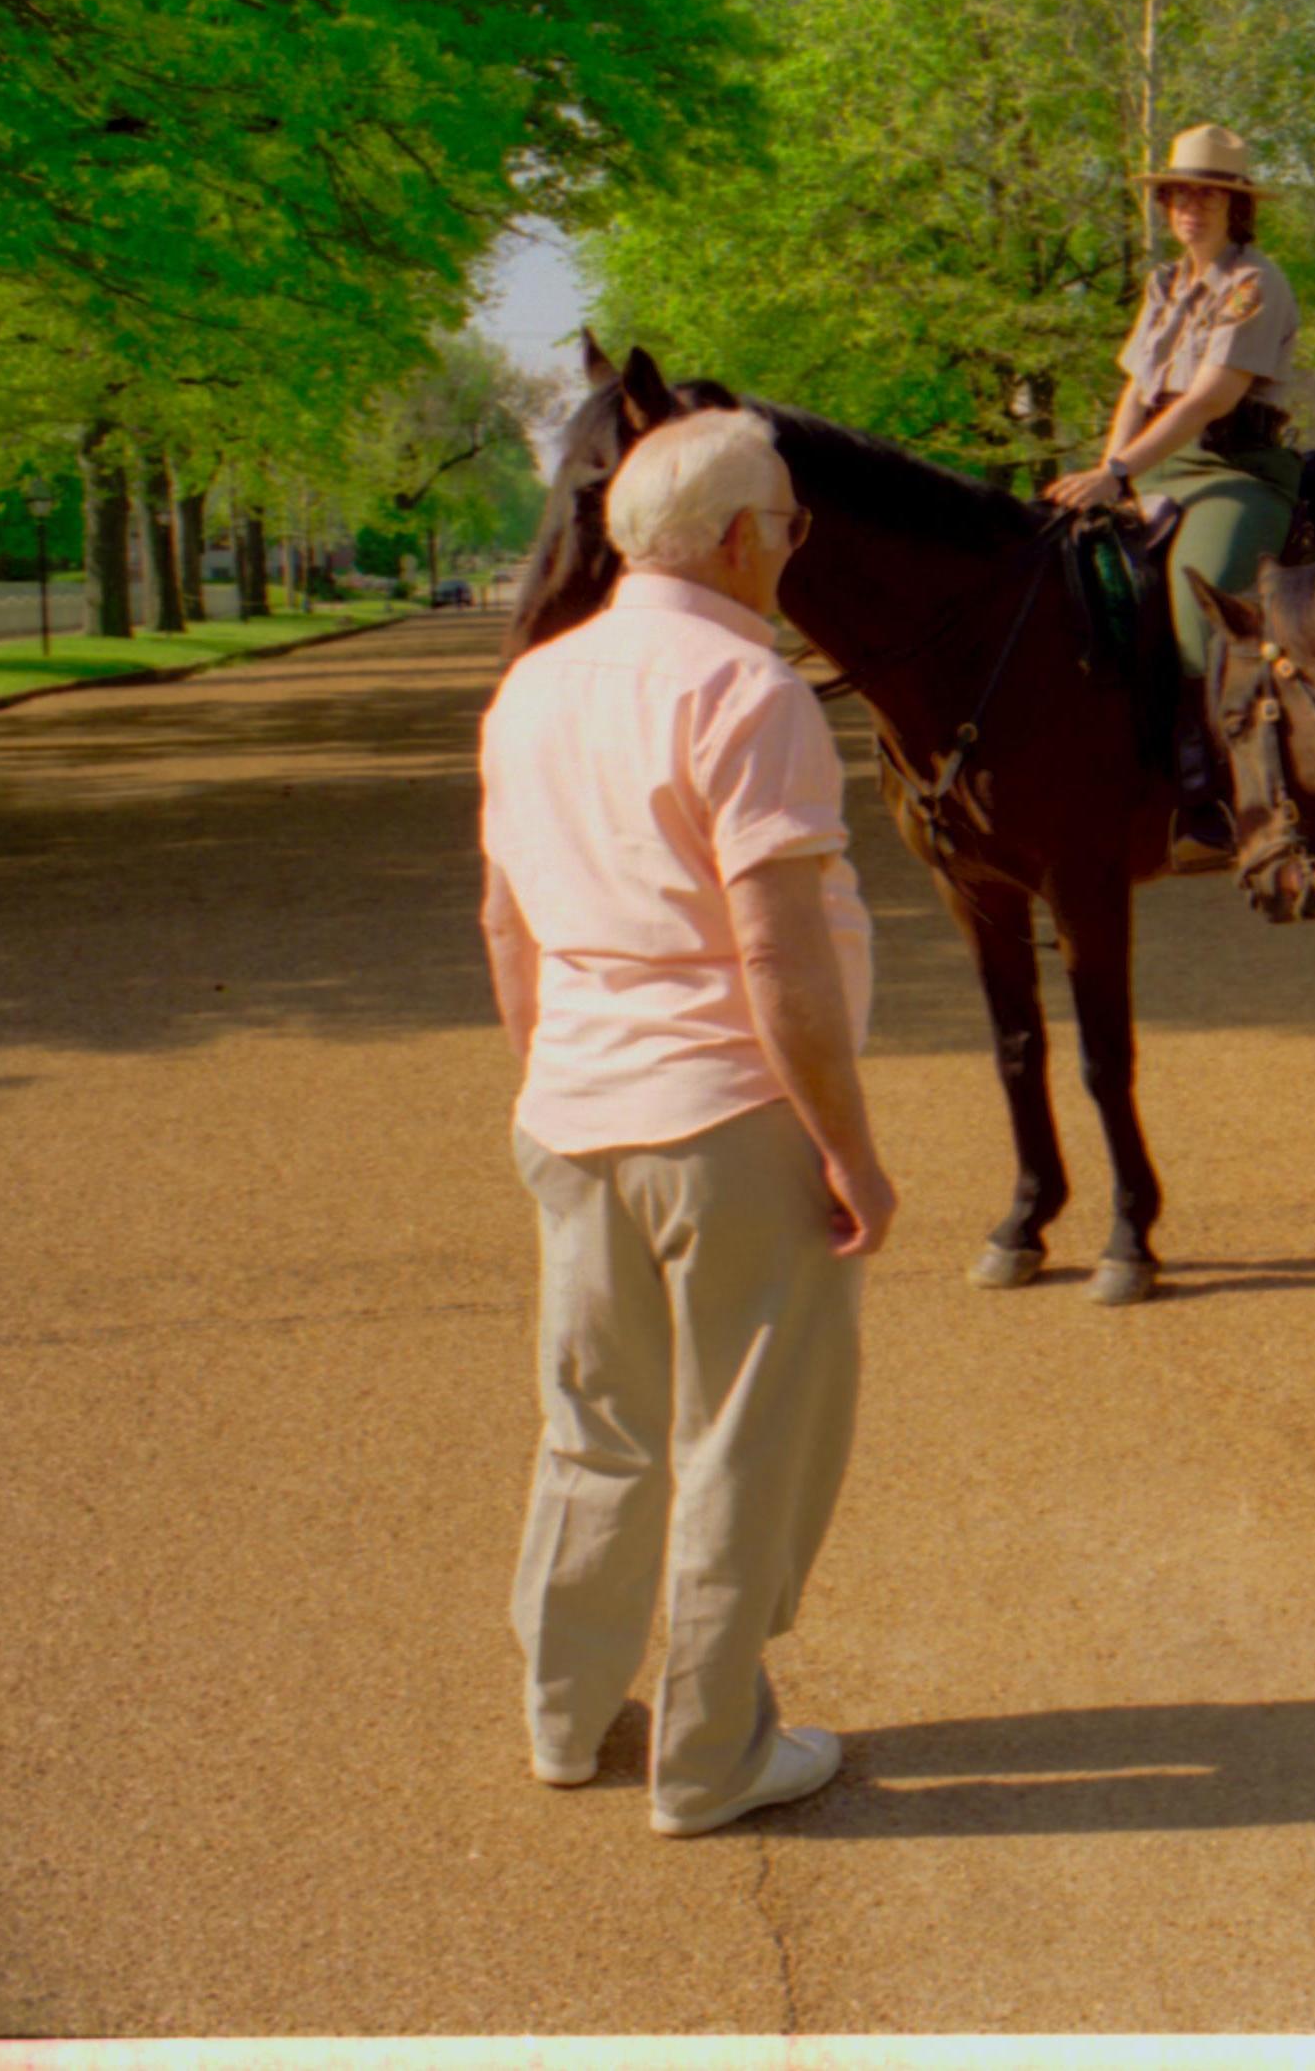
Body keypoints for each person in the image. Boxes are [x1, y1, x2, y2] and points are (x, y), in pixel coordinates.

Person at [478, 406, 893, 1836]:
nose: (791, 546)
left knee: (595, 1427)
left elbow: (506, 921)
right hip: (727, 1111)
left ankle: (569, 1715)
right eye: (786, 522)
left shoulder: (533, 683)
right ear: (735, 537)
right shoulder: (748, 688)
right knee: (742, 1437)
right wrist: (848, 1147)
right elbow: (775, 952)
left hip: (579, 1103)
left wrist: (562, 1079)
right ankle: (712, 1757)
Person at [1041, 122, 1304, 861]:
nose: (1190, 207)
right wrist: (1105, 473)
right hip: (1149, 463)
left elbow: (1207, 398)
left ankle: (1214, 790)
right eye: (1178, 194)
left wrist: (1120, 473)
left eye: (1207, 195)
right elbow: (1139, 387)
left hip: (1230, 468)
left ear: (1234, 206)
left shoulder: (1255, 282)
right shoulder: (1164, 283)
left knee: (1200, 603)